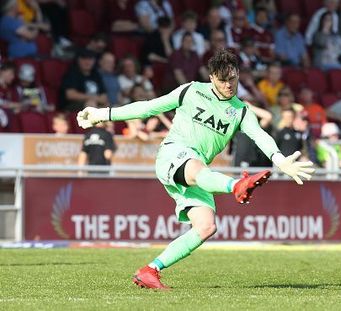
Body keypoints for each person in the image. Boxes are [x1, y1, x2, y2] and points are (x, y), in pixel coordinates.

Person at [76, 49, 315, 290]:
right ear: (211, 77)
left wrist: (279, 159)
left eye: (232, 79)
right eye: (222, 80)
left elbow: (260, 135)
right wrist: (102, 114)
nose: (228, 85)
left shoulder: (241, 111)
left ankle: (150, 270)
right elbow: (148, 108)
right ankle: (236, 186)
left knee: (206, 226)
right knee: (197, 168)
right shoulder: (191, 90)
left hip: (198, 170)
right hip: (174, 153)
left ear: (238, 74)